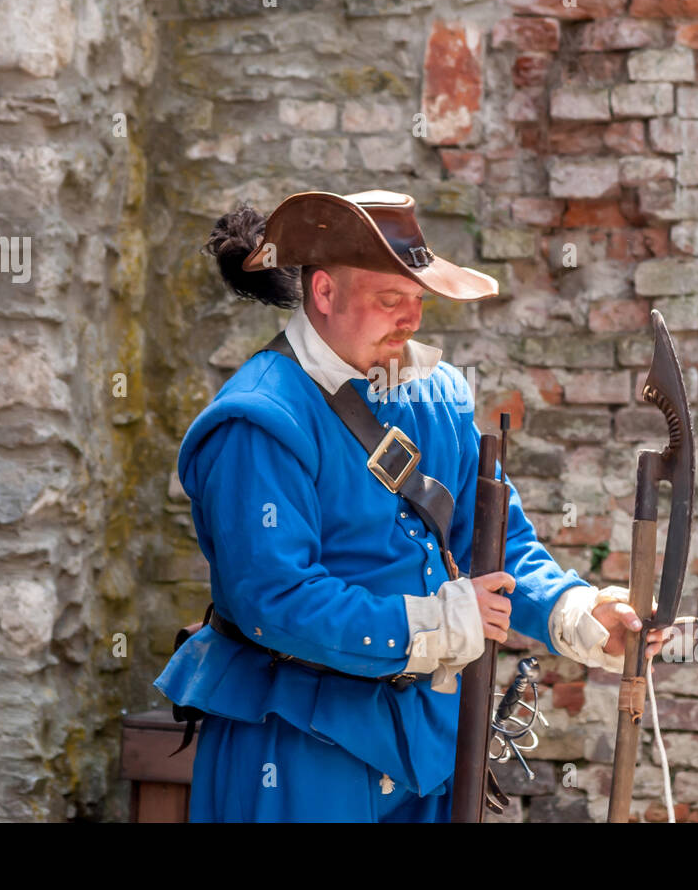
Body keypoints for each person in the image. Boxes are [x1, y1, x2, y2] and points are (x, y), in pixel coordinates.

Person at [154, 189, 669, 822]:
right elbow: (274, 601)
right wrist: (434, 622)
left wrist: (579, 611)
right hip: (297, 744)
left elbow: (496, 549)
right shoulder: (258, 420)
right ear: (324, 293)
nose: (412, 321)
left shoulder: (437, 395)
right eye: (390, 299)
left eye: (418, 300)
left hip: (426, 743)